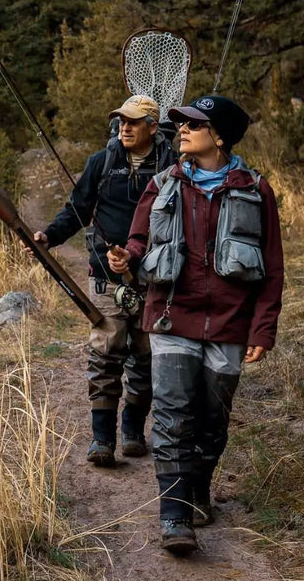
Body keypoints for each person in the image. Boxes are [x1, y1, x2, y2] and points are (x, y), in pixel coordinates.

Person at [107, 94, 284, 556]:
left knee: (212, 420)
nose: (181, 130)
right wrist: (126, 259)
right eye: (181, 123)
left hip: (230, 324)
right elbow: (139, 241)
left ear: (220, 136)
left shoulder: (256, 189)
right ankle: (174, 513)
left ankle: (197, 487)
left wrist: (263, 329)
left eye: (194, 124)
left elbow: (273, 267)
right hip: (171, 317)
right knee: (171, 413)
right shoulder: (163, 184)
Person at [32, 94, 177, 467]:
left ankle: (132, 430)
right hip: (106, 281)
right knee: (104, 356)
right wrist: (49, 236)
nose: (123, 128)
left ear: (152, 126)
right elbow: (76, 210)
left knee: (146, 360)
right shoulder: (102, 162)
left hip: (157, 279)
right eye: (121, 122)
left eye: (132, 122)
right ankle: (102, 439)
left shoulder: (175, 166)